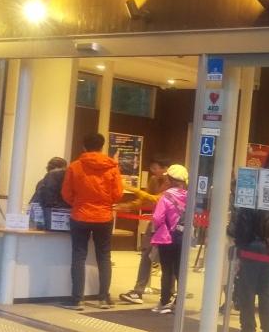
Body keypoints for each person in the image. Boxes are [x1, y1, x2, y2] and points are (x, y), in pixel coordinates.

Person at [61, 133, 123, 310]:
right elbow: (118, 194)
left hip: (80, 215)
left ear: (84, 147)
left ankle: (77, 300)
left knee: (78, 255)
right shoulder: (112, 167)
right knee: (104, 257)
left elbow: (66, 193)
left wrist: (78, 203)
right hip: (104, 217)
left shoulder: (75, 166)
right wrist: (104, 203)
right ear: (102, 147)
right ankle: (103, 299)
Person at [229, 207, 269, 332]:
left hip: (251, 250)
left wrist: (238, 247)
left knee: (247, 291)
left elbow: (240, 231)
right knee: (267, 290)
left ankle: (248, 331)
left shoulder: (248, 205)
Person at [118, 159, 167, 304]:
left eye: (156, 168)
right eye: (152, 168)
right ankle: (138, 291)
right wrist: (130, 205)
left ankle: (169, 295)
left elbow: (156, 199)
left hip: (169, 225)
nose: (154, 172)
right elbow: (147, 199)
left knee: (169, 259)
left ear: (165, 168)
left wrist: (132, 189)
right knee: (146, 254)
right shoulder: (154, 180)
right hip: (155, 221)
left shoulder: (174, 182)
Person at [149, 164, 188, 314]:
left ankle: (165, 301)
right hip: (183, 237)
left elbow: (157, 218)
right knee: (180, 271)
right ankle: (179, 301)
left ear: (170, 179)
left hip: (167, 237)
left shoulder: (165, 197)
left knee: (167, 270)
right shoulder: (189, 196)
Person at [28, 157, 69, 228]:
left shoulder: (42, 182)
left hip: (42, 218)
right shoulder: (68, 182)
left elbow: (35, 202)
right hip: (62, 220)